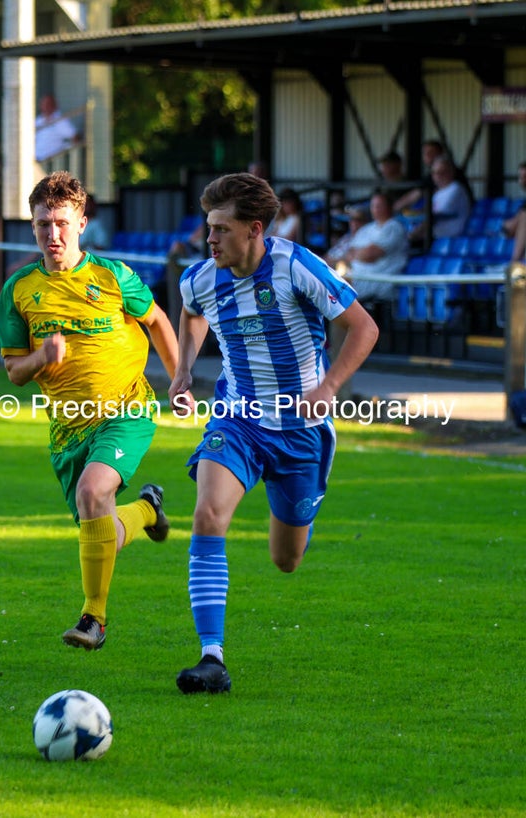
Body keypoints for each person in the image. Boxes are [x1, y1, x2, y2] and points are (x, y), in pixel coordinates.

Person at [167, 172, 379, 693]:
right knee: (207, 513)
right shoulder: (200, 277)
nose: (209, 239)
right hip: (237, 418)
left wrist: (329, 386)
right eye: (208, 227)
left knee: (286, 560)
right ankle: (211, 657)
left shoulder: (297, 266)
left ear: (254, 229)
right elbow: (192, 314)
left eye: (220, 229)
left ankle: (295, 508)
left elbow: (364, 327)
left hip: (300, 431)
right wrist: (181, 371)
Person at [0, 171, 188, 652]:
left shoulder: (114, 277)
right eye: (42, 224)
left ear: (82, 222)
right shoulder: (18, 291)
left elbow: (159, 321)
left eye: (61, 222)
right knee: (98, 524)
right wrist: (42, 357)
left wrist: (179, 378)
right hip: (68, 429)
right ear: (32, 226)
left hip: (127, 409)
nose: (52, 235)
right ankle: (146, 510)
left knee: (93, 490)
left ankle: (93, 619)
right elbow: (16, 373)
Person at [339, 190, 408, 302]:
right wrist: (362, 253)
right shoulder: (366, 229)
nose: (375, 209)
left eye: (379, 206)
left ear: (389, 207)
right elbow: (349, 253)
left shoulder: (394, 227)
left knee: (335, 288)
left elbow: (370, 255)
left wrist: (360, 253)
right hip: (357, 276)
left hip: (380, 280)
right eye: (373, 206)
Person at [408, 156, 471, 243]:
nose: (437, 176)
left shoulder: (455, 188)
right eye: (434, 173)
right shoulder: (439, 191)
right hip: (433, 237)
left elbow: (434, 216)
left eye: (442, 172)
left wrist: (413, 234)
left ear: (451, 172)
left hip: (449, 239)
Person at [324, 204, 371, 271]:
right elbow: (328, 255)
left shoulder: (367, 240)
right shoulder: (346, 237)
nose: (354, 222)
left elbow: (348, 261)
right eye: (352, 219)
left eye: (358, 220)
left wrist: (329, 263)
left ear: (365, 222)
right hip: (329, 269)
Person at [35, 94, 78, 161]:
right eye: (44, 104)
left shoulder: (60, 121)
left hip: (53, 162)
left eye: (48, 104)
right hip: (36, 159)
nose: (46, 106)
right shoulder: (38, 121)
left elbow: (74, 137)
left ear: (54, 105)